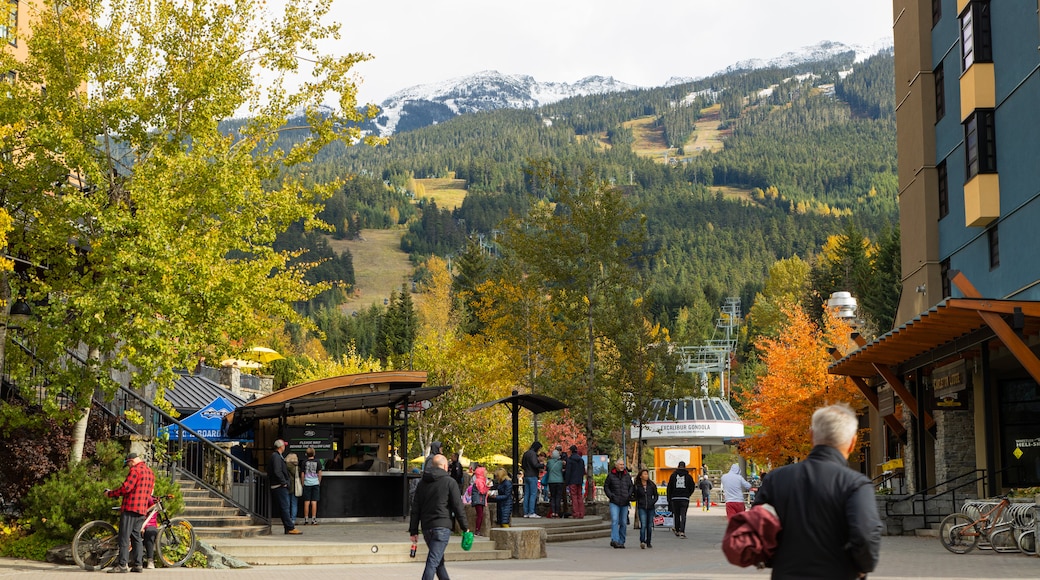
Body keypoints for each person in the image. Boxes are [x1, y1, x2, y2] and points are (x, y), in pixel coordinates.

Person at [753, 404, 882, 579]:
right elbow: (865, 535)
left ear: (812, 435)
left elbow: (757, 528)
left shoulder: (775, 479)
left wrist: (771, 559)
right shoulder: (856, 484)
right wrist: (862, 566)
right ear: (853, 442)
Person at [409, 454, 469, 580]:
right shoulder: (450, 482)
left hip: (427, 527)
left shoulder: (422, 483)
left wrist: (413, 529)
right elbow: (458, 506)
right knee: (433, 561)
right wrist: (465, 527)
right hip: (442, 526)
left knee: (438, 561)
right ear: (445, 466)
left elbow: (416, 508)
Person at [105, 452, 155, 573]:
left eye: (128, 465)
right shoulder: (150, 472)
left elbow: (126, 488)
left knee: (124, 536)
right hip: (142, 509)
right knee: (136, 536)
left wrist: (111, 493)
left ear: (131, 461)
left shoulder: (135, 471)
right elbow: (149, 492)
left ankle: (122, 565)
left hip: (130, 507)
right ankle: (138, 565)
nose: (129, 467)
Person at [268, 439, 301, 535]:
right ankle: (290, 527)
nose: (285, 447)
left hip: (278, 485)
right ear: (280, 447)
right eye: (284, 445)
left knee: (284, 507)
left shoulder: (276, 456)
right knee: (285, 507)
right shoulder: (277, 457)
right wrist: (284, 482)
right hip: (279, 486)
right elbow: (277, 471)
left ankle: (288, 527)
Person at [603, 459, 634, 548]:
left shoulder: (627, 475)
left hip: (624, 502)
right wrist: (611, 495)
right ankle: (615, 540)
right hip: (614, 501)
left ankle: (621, 541)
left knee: (623, 522)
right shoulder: (611, 475)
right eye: (620, 464)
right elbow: (606, 486)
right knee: (615, 520)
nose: (622, 466)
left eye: (623, 464)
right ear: (616, 465)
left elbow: (631, 486)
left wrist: (628, 495)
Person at [666, 460, 695, 538]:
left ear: (678, 466)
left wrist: (669, 498)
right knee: (683, 514)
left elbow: (669, 488)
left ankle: (677, 530)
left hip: (675, 498)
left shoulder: (673, 476)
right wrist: (688, 494)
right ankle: (682, 531)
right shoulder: (688, 476)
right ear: (685, 467)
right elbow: (692, 487)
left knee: (676, 515)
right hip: (685, 498)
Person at [633, 468, 658, 549]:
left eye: (647, 474)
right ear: (641, 476)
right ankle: (642, 541)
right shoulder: (637, 486)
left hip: (650, 507)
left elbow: (656, 495)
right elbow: (635, 496)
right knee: (643, 525)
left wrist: (653, 501)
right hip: (642, 507)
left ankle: (649, 541)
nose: (646, 476)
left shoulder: (651, 485)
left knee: (649, 525)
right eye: (644, 474)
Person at [520, 441, 543, 518]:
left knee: (526, 494)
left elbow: (522, 465)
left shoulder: (526, 453)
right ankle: (531, 512)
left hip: (526, 475)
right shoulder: (533, 454)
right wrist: (542, 465)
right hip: (533, 475)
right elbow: (535, 464)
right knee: (533, 494)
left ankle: (526, 512)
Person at [301, 447, 323, 525]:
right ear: (314, 453)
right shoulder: (318, 462)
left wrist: (303, 483)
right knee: (314, 502)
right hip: (315, 483)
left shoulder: (304, 462)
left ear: (306, 454)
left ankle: (306, 519)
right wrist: (319, 481)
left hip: (307, 483)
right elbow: (320, 473)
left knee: (306, 502)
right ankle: (313, 519)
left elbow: (302, 474)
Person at [564, 445, 586, 519]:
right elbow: (583, 471)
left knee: (574, 497)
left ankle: (575, 513)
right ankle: (581, 513)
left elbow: (568, 472)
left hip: (572, 481)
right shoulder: (581, 460)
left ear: (571, 451)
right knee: (579, 496)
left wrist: (566, 482)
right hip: (579, 480)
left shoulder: (570, 460)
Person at [469, 463, 489, 535]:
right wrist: (488, 487)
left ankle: (478, 529)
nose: (486, 473)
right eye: (485, 471)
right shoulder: (479, 481)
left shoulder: (481, 480)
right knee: (480, 515)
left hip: (479, 499)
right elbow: (482, 491)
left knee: (480, 515)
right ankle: (477, 530)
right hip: (478, 500)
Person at [545, 449, 565, 518]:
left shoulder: (549, 462)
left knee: (552, 497)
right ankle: (557, 512)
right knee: (558, 497)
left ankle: (553, 512)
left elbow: (547, 469)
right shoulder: (560, 463)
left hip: (551, 481)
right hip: (559, 481)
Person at [284, 449, 301, 526]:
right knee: (294, 504)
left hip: (286, 486)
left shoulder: (284, 466)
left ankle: (287, 519)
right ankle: (293, 519)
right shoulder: (296, 468)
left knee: (286, 504)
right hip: (294, 487)